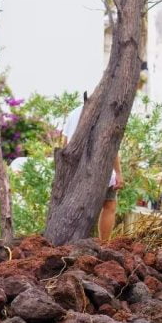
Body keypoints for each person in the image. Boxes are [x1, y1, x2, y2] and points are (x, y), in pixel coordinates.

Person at [61, 94, 125, 240]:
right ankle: (103, 244)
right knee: (109, 206)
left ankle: (74, 243)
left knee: (78, 209)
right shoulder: (105, 115)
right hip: (100, 169)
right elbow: (111, 146)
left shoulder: (73, 114)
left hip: (76, 171)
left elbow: (65, 145)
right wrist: (118, 173)